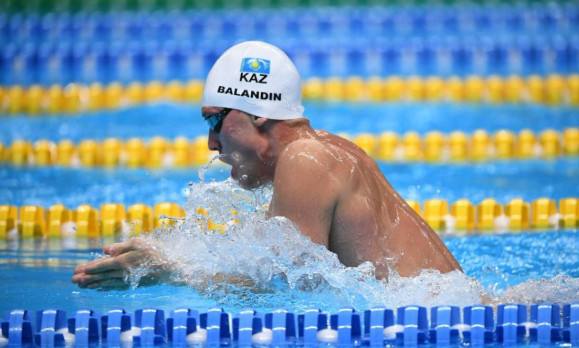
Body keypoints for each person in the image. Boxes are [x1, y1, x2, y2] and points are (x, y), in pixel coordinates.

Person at [72, 41, 461, 290]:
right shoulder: (327, 148)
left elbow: (287, 289)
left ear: (256, 114)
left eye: (214, 121)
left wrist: (171, 271)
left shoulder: (304, 159)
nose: (211, 143)